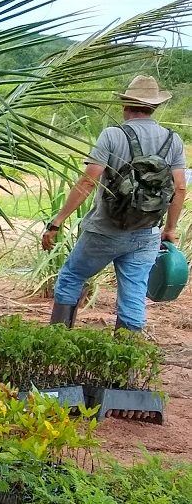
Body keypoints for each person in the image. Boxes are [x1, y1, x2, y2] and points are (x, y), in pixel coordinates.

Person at [42, 75, 186, 331]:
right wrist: (170, 229)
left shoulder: (112, 135)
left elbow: (87, 182)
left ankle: (57, 340)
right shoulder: (172, 140)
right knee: (133, 293)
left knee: (72, 276)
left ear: (126, 105)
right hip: (147, 232)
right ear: (154, 107)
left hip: (105, 230)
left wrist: (57, 222)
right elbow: (180, 187)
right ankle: (125, 364)